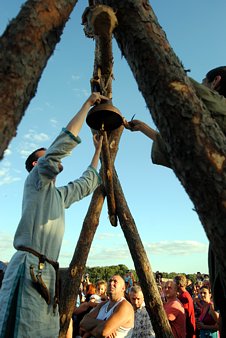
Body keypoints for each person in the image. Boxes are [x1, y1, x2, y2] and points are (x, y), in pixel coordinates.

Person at [124, 65, 226, 334]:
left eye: (204, 82)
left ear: (215, 82)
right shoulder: (208, 136)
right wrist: (144, 128)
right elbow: (178, 149)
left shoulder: (222, 111)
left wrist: (165, 68)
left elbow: (203, 99)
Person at [0, 92, 106, 338]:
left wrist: (99, 149)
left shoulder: (57, 196)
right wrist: (87, 104)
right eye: (45, 155)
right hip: (28, 271)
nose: (51, 157)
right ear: (37, 165)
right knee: (22, 331)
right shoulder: (34, 181)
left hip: (46, 273)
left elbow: (85, 184)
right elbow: (61, 146)